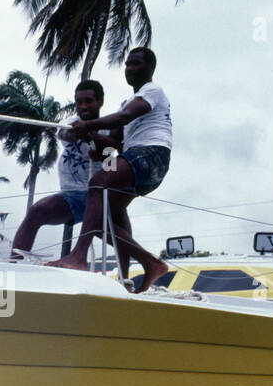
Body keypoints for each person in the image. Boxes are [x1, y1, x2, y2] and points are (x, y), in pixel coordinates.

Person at [48, 46, 172, 293]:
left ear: (150, 68)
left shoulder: (152, 91)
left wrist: (88, 125)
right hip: (137, 159)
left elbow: (124, 117)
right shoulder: (130, 100)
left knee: (97, 183)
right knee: (109, 211)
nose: (130, 68)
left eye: (136, 63)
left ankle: (78, 257)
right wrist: (90, 136)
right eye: (127, 64)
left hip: (151, 154)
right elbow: (114, 142)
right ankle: (141, 269)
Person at [9, 80, 124, 260]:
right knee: (35, 212)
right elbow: (65, 134)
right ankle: (13, 263)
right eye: (79, 102)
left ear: (100, 102)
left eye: (88, 101)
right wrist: (80, 133)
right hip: (70, 197)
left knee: (121, 239)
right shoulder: (71, 122)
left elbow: (111, 166)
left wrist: (100, 149)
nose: (83, 106)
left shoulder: (109, 131)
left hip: (97, 198)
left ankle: (132, 274)